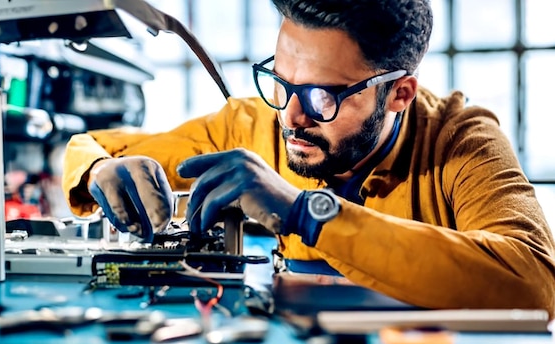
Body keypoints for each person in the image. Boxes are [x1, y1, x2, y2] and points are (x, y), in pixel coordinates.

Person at [62, 0, 555, 316]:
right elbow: (93, 147)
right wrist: (104, 171)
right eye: (280, 80)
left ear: (400, 94)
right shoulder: (251, 125)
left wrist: (307, 212)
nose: (291, 116)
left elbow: (535, 283)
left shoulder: (460, 141)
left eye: (324, 96)